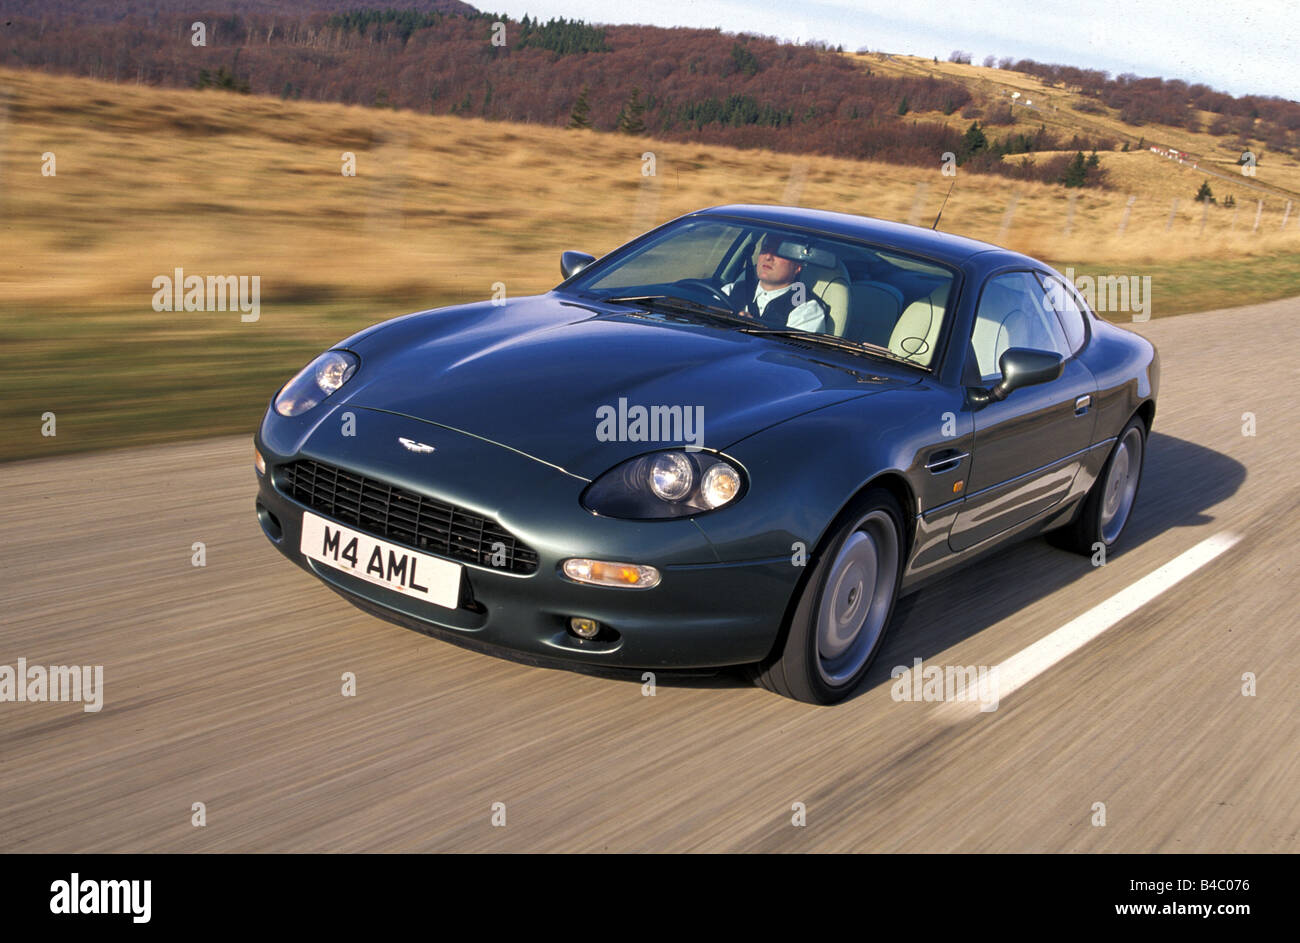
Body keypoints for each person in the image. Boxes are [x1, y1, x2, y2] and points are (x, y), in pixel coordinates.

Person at [722, 233, 832, 333]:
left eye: (780, 252)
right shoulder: (730, 290)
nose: (768, 257)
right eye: (765, 248)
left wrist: (752, 329)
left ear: (798, 266)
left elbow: (790, 351)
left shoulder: (807, 310)